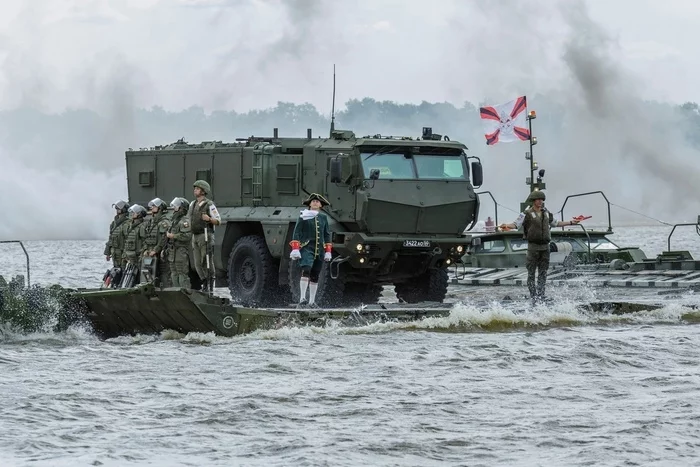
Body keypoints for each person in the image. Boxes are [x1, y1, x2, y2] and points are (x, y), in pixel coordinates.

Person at [499, 190, 580, 303]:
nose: (540, 201)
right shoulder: (526, 214)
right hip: (533, 247)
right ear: (533, 201)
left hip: (545, 247)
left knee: (543, 273)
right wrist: (507, 225)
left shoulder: (546, 213)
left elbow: (556, 223)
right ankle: (533, 295)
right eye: (538, 199)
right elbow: (516, 224)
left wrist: (571, 222)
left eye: (541, 199)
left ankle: (541, 295)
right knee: (531, 273)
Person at [289, 193, 333, 308]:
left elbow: (326, 234)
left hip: (319, 249)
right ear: (309, 204)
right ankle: (302, 298)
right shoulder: (303, 215)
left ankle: (312, 302)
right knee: (306, 269)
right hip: (306, 247)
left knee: (315, 275)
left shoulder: (323, 218)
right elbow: (297, 232)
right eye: (313, 201)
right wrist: (295, 248)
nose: (315, 202)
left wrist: (328, 250)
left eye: (317, 202)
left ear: (320, 206)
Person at [189, 180, 221, 290]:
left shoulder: (209, 204)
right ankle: (203, 280)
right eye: (195, 188)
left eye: (197, 189)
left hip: (205, 235)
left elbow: (218, 220)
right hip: (195, 236)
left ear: (203, 191)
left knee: (206, 260)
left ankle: (210, 281)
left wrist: (209, 219)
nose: (195, 190)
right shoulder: (192, 204)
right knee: (197, 263)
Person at [141, 198, 172, 287]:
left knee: (163, 274)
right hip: (150, 252)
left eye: (154, 206)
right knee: (149, 274)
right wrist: (146, 249)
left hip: (161, 254)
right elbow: (146, 237)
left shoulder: (164, 222)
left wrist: (156, 250)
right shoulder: (151, 222)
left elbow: (164, 238)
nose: (152, 207)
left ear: (160, 208)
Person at [166, 197, 193, 289]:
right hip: (172, 251)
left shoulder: (184, 221)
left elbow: (187, 236)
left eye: (176, 206)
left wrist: (174, 236)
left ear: (182, 208)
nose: (174, 208)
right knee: (174, 274)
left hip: (180, 251)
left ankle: (186, 295)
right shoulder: (174, 221)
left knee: (182, 275)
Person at [121, 204, 147, 283]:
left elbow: (145, 241)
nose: (132, 214)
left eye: (135, 212)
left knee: (138, 275)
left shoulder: (142, 227)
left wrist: (142, 253)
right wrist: (124, 254)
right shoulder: (130, 226)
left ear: (140, 214)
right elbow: (126, 241)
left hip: (137, 256)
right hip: (129, 256)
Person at [104, 200, 130, 268]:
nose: (117, 210)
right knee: (116, 270)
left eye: (119, 208)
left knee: (123, 270)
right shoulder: (114, 223)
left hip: (122, 252)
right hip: (114, 252)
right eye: (117, 208)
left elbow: (128, 240)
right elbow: (111, 238)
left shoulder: (127, 223)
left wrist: (126, 254)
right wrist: (108, 253)